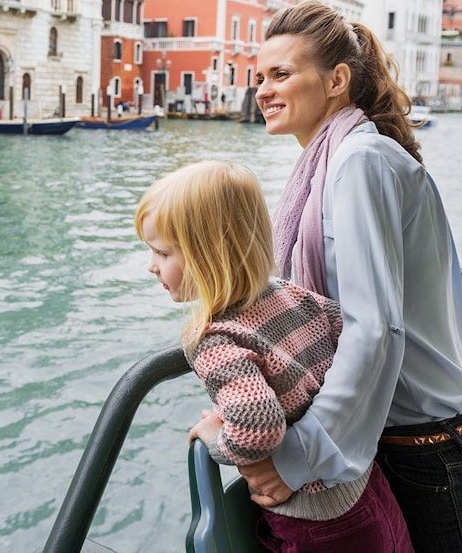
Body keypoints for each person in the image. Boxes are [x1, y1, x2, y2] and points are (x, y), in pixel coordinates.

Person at [238, 0, 462, 553]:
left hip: (425, 449)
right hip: (403, 440)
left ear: (336, 80)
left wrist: (297, 457)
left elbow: (373, 326)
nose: (262, 90)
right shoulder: (338, 160)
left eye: (281, 74)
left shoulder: (359, 161)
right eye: (259, 77)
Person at [134, 160, 413, 553]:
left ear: (208, 255)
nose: (151, 266)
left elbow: (257, 424)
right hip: (365, 487)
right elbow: (345, 334)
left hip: (318, 524)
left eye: (162, 252)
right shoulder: (288, 294)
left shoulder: (214, 339)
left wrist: (217, 441)